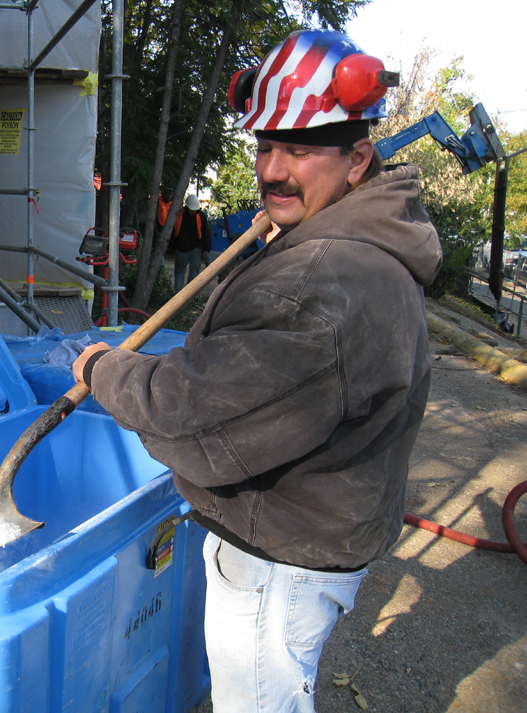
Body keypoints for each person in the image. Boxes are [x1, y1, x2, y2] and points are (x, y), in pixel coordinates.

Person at [71, 29, 442, 713]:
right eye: (266, 144)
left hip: (282, 562)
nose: (273, 168)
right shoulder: (357, 243)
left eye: (299, 149)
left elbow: (191, 409)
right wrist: (294, 234)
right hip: (318, 530)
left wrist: (103, 369)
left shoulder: (321, 281)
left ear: (357, 158)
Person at [173, 194, 209, 291]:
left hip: (195, 247)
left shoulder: (201, 216)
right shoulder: (179, 215)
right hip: (181, 248)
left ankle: (190, 293)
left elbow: (206, 232)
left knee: (195, 269)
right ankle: (178, 295)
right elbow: (173, 232)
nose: (192, 212)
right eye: (191, 210)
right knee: (179, 272)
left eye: (194, 210)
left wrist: (206, 249)